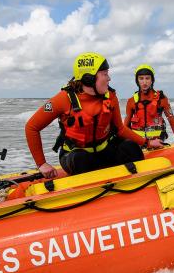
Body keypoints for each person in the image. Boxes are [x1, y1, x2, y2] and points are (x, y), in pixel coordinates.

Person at [25, 52, 163, 179]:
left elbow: (120, 129)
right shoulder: (63, 99)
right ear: (89, 79)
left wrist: (148, 142)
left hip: (104, 150)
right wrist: (41, 164)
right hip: (75, 155)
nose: (109, 78)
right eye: (105, 74)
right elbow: (31, 127)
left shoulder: (110, 96)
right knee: (81, 160)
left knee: (132, 148)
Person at [124, 64, 174, 144]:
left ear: (152, 80)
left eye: (147, 78)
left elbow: (172, 121)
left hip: (158, 142)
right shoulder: (131, 101)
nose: (144, 82)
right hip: (138, 143)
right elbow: (125, 127)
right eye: (141, 78)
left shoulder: (162, 99)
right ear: (137, 81)